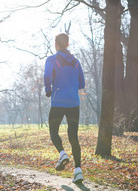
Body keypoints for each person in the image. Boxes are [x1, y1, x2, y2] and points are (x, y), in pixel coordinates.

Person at [44, 33, 85, 183]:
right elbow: (82, 83)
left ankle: (62, 154)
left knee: (53, 131)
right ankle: (78, 170)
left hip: (58, 102)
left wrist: (48, 89)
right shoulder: (76, 62)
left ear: (56, 45)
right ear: (67, 45)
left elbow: (47, 75)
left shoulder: (52, 59)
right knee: (73, 137)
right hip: (74, 102)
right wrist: (72, 86)